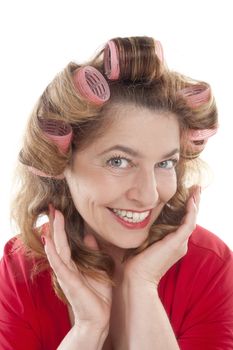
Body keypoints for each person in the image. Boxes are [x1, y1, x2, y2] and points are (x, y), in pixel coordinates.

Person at [0, 36, 232, 350]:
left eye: (165, 163)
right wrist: (87, 330)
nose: (149, 196)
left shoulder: (208, 265)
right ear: (62, 163)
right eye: (119, 161)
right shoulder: (22, 270)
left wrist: (142, 285)